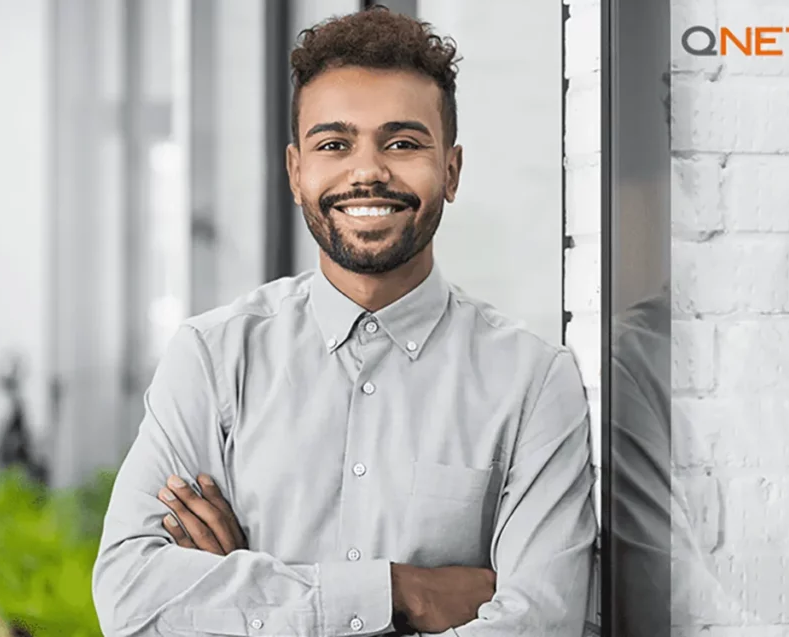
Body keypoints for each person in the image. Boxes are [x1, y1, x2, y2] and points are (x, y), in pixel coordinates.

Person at [92, 7, 597, 637]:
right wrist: (399, 591)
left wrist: (244, 597)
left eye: (403, 143)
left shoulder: (531, 381)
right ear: (296, 171)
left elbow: (540, 625)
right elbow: (132, 599)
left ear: (452, 170)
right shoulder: (213, 359)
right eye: (335, 144)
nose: (368, 171)